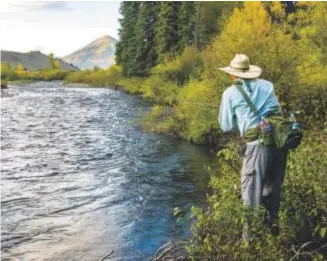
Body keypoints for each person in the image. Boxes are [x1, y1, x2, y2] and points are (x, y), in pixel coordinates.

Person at [218, 54, 288, 235]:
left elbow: (225, 125)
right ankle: (273, 239)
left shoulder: (230, 93)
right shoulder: (267, 85)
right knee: (272, 195)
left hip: (257, 147)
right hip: (280, 144)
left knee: (250, 197)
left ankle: (248, 247)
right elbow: (277, 111)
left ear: (233, 75)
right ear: (249, 71)